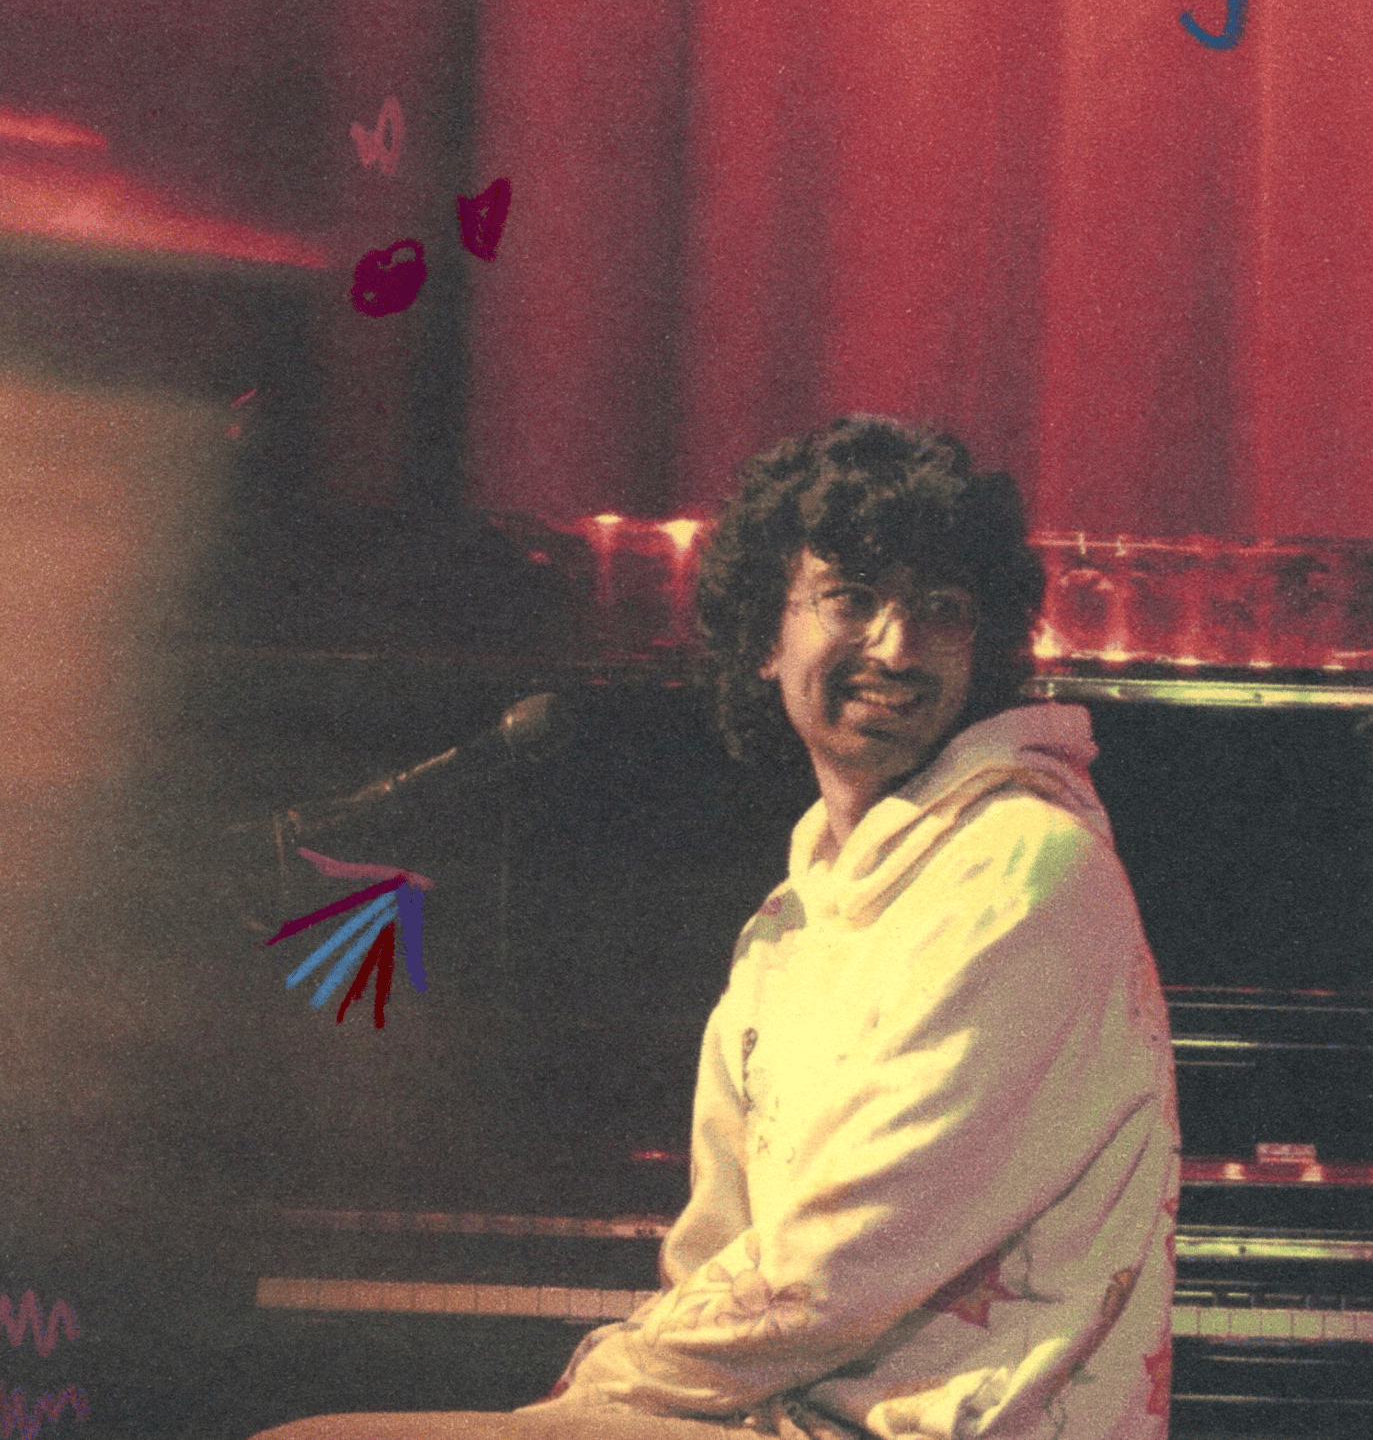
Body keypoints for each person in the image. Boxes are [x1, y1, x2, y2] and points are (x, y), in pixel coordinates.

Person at [256, 416, 1181, 1440]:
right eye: (852, 597)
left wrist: (595, 1391)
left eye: (942, 608)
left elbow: (839, 1258)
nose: (897, 645)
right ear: (764, 640)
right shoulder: (785, 925)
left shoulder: (1026, 865)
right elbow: (713, 1256)